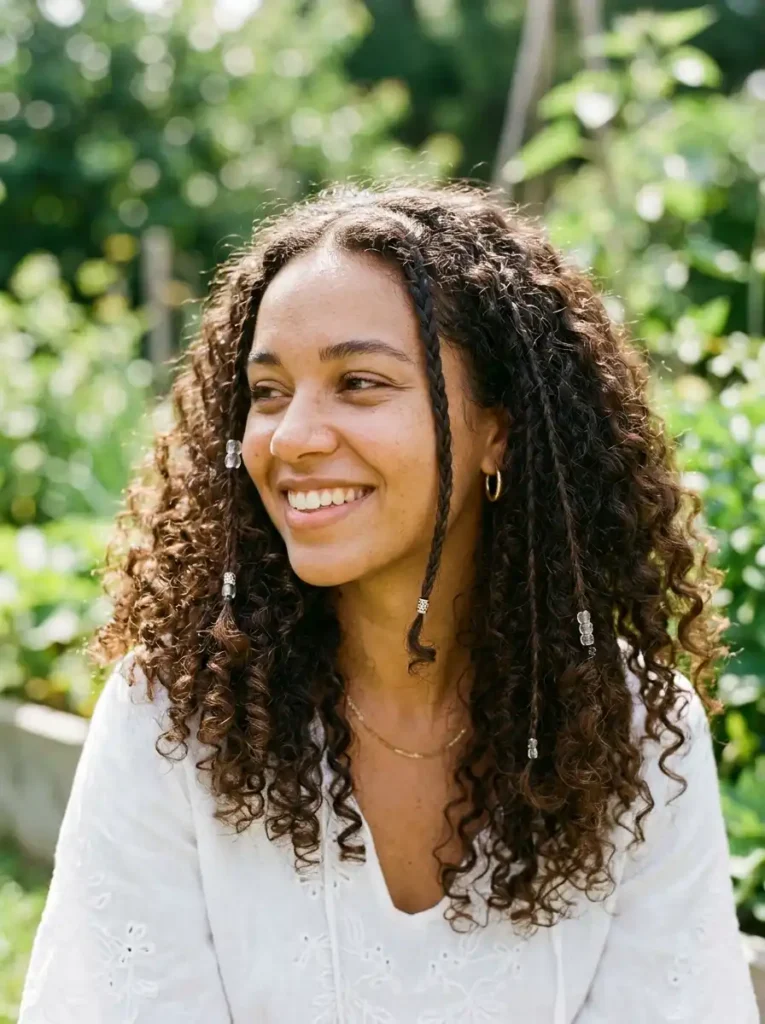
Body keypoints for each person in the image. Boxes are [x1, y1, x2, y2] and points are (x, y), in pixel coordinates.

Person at [18, 183, 759, 1023]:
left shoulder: (632, 730)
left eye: (359, 382)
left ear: (498, 429)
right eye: (266, 393)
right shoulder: (175, 716)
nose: (292, 436)